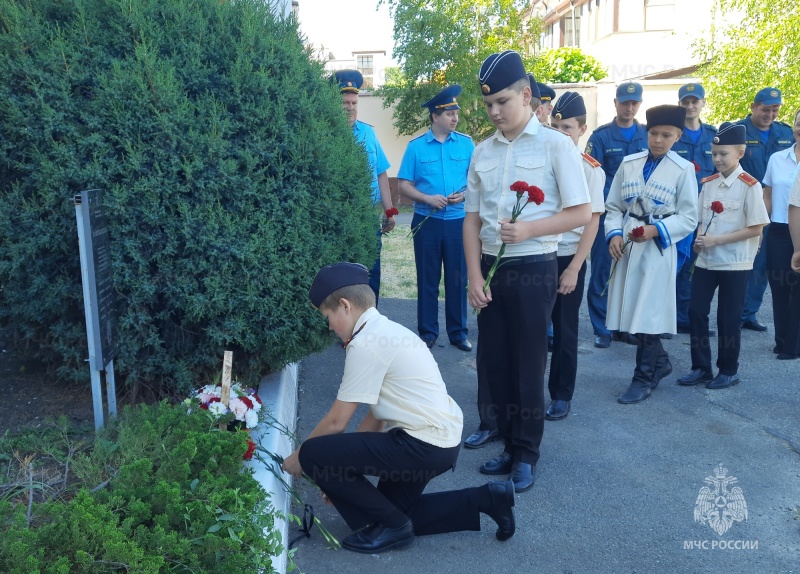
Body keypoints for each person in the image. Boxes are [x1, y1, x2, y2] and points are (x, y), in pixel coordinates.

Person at [281, 262, 516, 554]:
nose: (329, 326)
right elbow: (376, 414)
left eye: (327, 316)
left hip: (422, 445)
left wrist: (300, 458)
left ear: (344, 306)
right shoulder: (386, 330)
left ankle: (396, 530)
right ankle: (488, 500)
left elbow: (335, 423)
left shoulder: (365, 343)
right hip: (438, 443)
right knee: (382, 513)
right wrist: (344, 476)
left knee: (315, 451)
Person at [463, 52, 591, 491]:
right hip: (490, 268)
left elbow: (581, 212)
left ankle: (527, 452)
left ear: (526, 95)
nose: (495, 111)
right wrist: (474, 277)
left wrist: (530, 228)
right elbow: (471, 220)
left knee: (528, 361)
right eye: (488, 105)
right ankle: (507, 443)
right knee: (495, 361)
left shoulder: (556, 145)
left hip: (535, 266)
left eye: (502, 101)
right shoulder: (482, 151)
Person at [604, 105, 698, 404]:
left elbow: (688, 217)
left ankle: (643, 377)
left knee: (648, 310)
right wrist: (615, 234)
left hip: (657, 247)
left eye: (666, 135)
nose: (658, 140)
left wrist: (656, 231)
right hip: (629, 243)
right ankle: (660, 363)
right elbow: (613, 207)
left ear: (678, 136)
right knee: (631, 307)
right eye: (654, 133)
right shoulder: (629, 163)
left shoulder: (683, 170)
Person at [677, 123, 770, 389]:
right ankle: (700, 366)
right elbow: (699, 220)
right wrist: (698, 241)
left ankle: (728, 370)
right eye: (714, 153)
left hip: (735, 262)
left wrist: (717, 240)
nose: (717, 159)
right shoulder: (708, 184)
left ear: (740, 153)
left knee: (728, 317)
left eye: (723, 154)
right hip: (706, 260)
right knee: (696, 312)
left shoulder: (749, 186)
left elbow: (756, 228)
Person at [398, 85, 475, 351]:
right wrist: (427, 198)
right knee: (428, 279)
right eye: (449, 113)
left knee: (457, 278)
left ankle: (458, 332)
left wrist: (463, 195)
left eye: (456, 113)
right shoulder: (416, 147)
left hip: (458, 221)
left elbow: (475, 181)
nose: (455, 118)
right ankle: (428, 332)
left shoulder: (466, 144)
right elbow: (403, 185)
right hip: (426, 221)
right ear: (435, 116)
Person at [545, 91, 606, 420]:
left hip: (569, 256)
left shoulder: (589, 170)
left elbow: (592, 223)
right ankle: (526, 393)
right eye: (555, 126)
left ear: (582, 130)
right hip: (539, 255)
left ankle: (561, 395)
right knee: (535, 329)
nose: (560, 133)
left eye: (567, 127)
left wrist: (574, 268)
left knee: (565, 329)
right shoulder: (544, 161)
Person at [585, 82, 649, 348]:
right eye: (625, 102)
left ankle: (625, 326)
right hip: (608, 212)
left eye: (634, 103)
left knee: (631, 271)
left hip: (639, 214)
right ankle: (602, 328)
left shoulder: (647, 135)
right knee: (602, 268)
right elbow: (592, 174)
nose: (630, 107)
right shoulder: (600, 137)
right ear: (615, 103)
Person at [332, 69, 396, 305]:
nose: (350, 107)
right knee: (342, 272)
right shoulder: (326, 133)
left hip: (368, 216)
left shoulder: (369, 133)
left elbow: (381, 173)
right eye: (344, 102)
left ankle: (369, 321)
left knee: (371, 270)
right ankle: (342, 327)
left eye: (353, 102)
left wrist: (389, 211)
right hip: (338, 215)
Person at [736, 87, 794, 332]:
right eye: (765, 109)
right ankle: (735, 312)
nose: (770, 114)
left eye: (775, 109)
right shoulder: (738, 130)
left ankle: (750, 313)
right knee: (745, 262)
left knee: (765, 265)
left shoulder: (785, 132)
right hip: (746, 205)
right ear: (753, 107)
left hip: (778, 208)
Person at [673, 83, 718, 333]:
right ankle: (673, 317)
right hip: (678, 211)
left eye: (695, 101)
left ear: (702, 103)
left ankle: (690, 317)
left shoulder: (713, 136)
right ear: (680, 104)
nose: (690, 106)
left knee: (697, 266)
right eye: (685, 102)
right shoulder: (673, 133)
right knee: (677, 262)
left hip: (706, 213)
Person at [763, 109, 800, 359]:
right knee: (779, 286)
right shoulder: (777, 158)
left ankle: (793, 345)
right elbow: (767, 195)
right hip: (777, 230)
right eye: (798, 122)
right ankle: (782, 339)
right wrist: (759, 227)